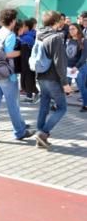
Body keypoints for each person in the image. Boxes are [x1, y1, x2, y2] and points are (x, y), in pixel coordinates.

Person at [0, 9, 33, 142]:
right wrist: (20, 53)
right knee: (13, 105)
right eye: (15, 19)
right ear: (12, 20)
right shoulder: (9, 35)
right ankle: (20, 132)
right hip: (6, 74)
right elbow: (8, 53)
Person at [34, 10, 72, 148]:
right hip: (53, 78)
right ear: (56, 22)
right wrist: (65, 83)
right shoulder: (55, 38)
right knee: (62, 108)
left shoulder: (39, 35)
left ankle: (40, 135)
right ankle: (43, 133)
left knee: (44, 106)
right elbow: (59, 62)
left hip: (41, 76)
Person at [18, 18, 38, 103]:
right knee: (26, 79)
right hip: (25, 62)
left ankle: (33, 94)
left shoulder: (28, 38)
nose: (21, 28)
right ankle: (30, 95)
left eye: (23, 26)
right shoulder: (25, 36)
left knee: (28, 79)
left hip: (28, 62)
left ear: (27, 27)